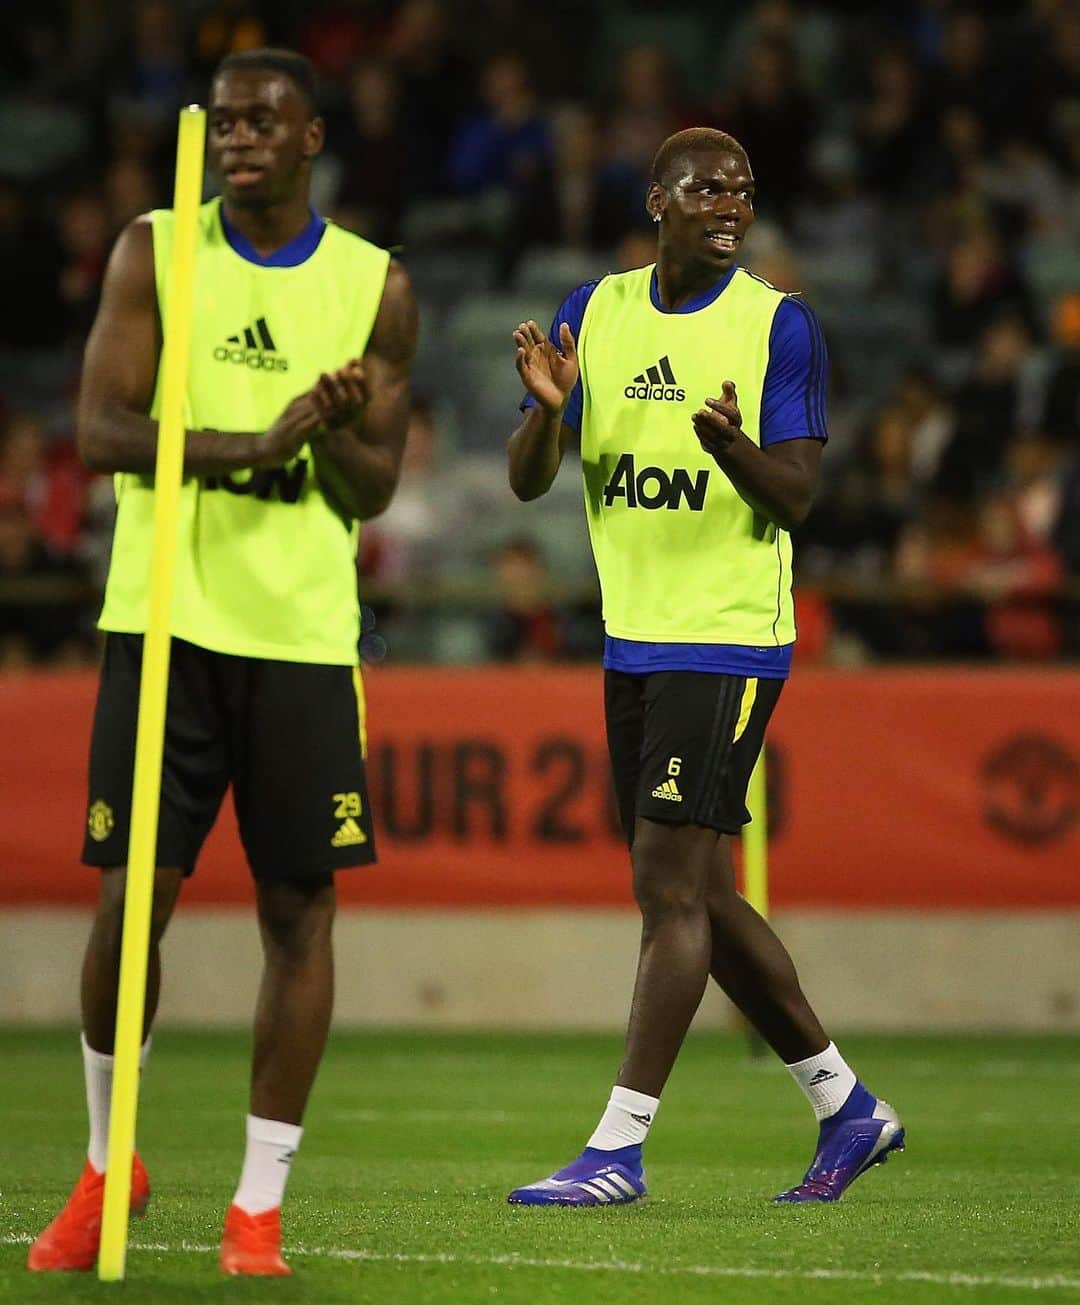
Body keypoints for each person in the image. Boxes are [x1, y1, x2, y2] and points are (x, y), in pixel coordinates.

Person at [27, 48, 417, 1276]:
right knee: (129, 902)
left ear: (312, 140)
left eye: (266, 121)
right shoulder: (156, 247)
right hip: (165, 620)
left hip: (300, 635)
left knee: (299, 911)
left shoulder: (376, 285)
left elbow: (374, 484)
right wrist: (258, 437)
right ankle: (105, 1168)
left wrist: (336, 426)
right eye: (226, 121)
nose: (241, 137)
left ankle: (257, 1206)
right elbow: (97, 431)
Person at [505, 127, 903, 1207]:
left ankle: (617, 1148)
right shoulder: (599, 311)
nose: (731, 202)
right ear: (657, 200)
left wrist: (728, 447)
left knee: (664, 887)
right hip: (634, 634)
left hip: (728, 636)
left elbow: (799, 498)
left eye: (745, 190)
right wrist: (548, 416)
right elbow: (531, 481)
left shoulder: (780, 326)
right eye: (708, 187)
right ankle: (848, 1107)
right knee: (699, 893)